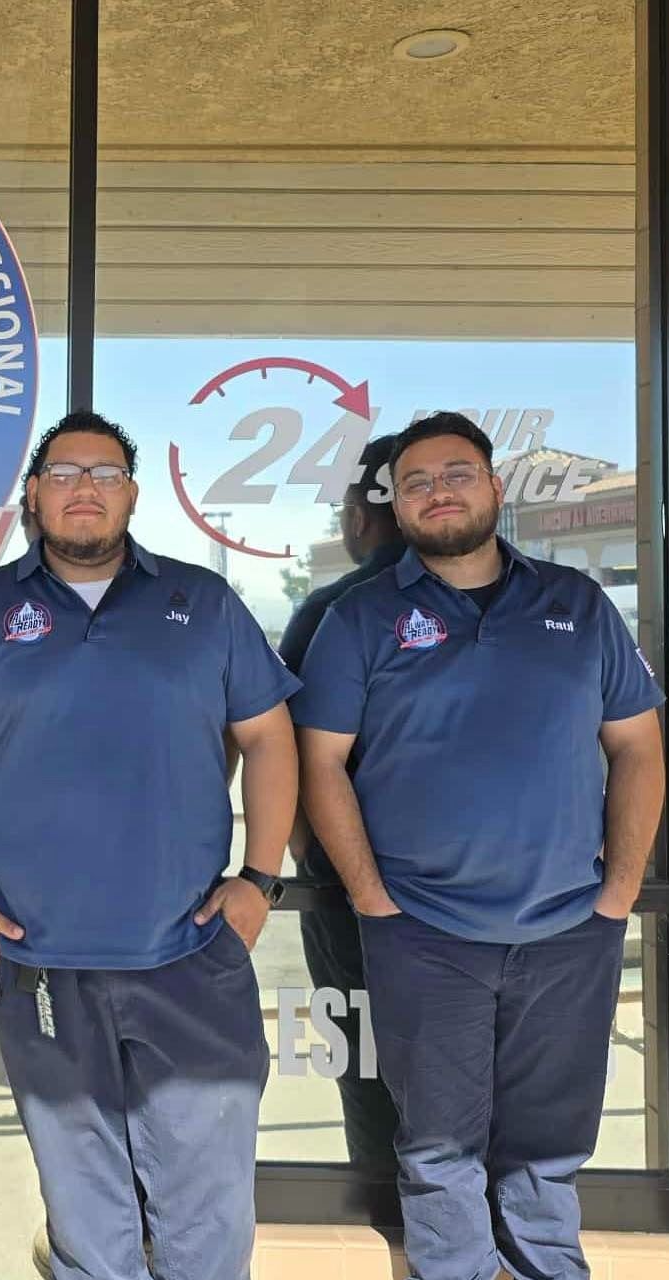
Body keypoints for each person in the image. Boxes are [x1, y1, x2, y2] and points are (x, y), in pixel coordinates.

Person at [0, 410, 300, 1280]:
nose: (85, 487)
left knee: (207, 1205)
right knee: (86, 1204)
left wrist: (261, 876)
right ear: (33, 495)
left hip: (189, 953)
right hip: (37, 955)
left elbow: (269, 738)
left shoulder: (203, 604)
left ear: (132, 493)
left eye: (106, 472)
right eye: (65, 471)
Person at [293, 411, 666, 1280]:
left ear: (496, 489)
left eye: (458, 473)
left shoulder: (578, 607)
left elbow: (641, 750)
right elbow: (318, 765)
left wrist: (617, 892)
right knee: (437, 1154)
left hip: (568, 932)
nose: (438, 491)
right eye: (417, 481)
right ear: (397, 503)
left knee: (545, 1154)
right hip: (424, 939)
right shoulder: (358, 618)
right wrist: (374, 901)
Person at [276, 433, 404, 1173]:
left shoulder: (330, 609)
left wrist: (304, 848)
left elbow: (273, 745)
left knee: (366, 1069)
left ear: (359, 514)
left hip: (342, 890)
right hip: (475, 897)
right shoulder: (510, 598)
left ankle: (384, 1216)